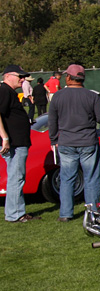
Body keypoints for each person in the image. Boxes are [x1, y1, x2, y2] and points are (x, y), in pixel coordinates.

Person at [48, 64, 100, 222]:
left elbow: (52, 121)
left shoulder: (58, 97)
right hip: (87, 141)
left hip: (66, 142)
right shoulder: (91, 96)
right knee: (92, 178)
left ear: (68, 77)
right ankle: (93, 211)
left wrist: (54, 139)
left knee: (67, 178)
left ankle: (65, 214)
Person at [2, 64, 39, 222]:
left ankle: (14, 212)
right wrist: (5, 138)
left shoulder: (8, 92)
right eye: (20, 76)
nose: (23, 79)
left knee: (15, 177)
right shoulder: (4, 90)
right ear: (8, 75)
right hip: (14, 143)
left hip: (16, 142)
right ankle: (15, 214)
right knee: (16, 178)